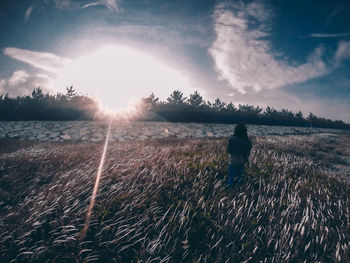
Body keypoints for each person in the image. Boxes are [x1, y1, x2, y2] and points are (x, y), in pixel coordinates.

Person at [227, 123, 252, 189]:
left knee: (231, 178)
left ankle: (230, 190)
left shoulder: (232, 139)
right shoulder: (247, 141)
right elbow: (247, 153)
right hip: (241, 161)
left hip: (232, 161)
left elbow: (229, 150)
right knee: (239, 177)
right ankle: (239, 190)